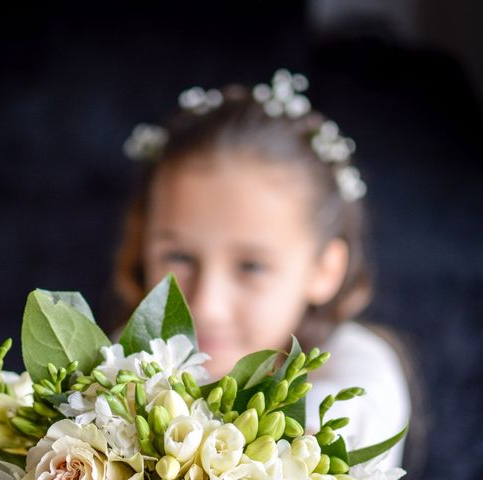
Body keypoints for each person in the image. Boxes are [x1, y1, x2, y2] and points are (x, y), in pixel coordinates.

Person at [111, 70, 412, 468]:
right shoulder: (126, 358)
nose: (206, 305)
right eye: (179, 257)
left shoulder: (360, 376)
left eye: (251, 266)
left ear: (324, 269)